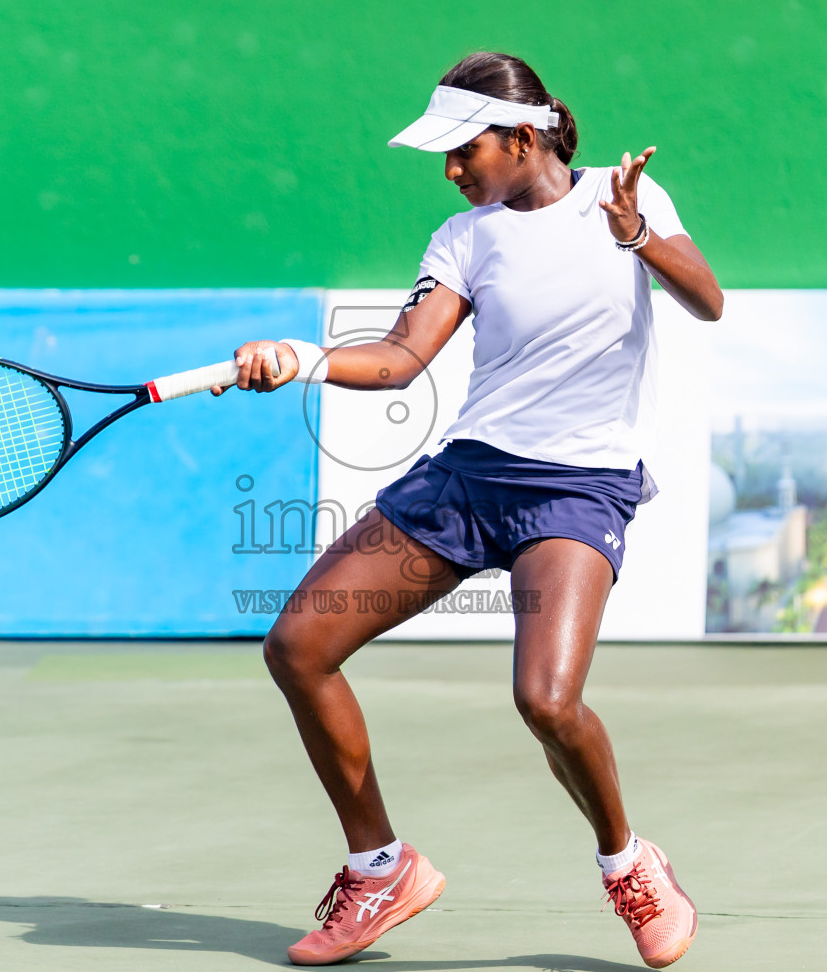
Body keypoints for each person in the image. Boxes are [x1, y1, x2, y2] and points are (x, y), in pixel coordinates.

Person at [213, 51, 724, 968]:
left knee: (547, 700)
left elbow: (708, 301)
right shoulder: (464, 238)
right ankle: (380, 868)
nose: (452, 172)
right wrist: (306, 356)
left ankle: (628, 863)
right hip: (468, 479)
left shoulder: (623, 196)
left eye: (464, 152)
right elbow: (402, 358)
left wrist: (638, 232)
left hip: (577, 487)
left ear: (523, 138)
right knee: (298, 646)